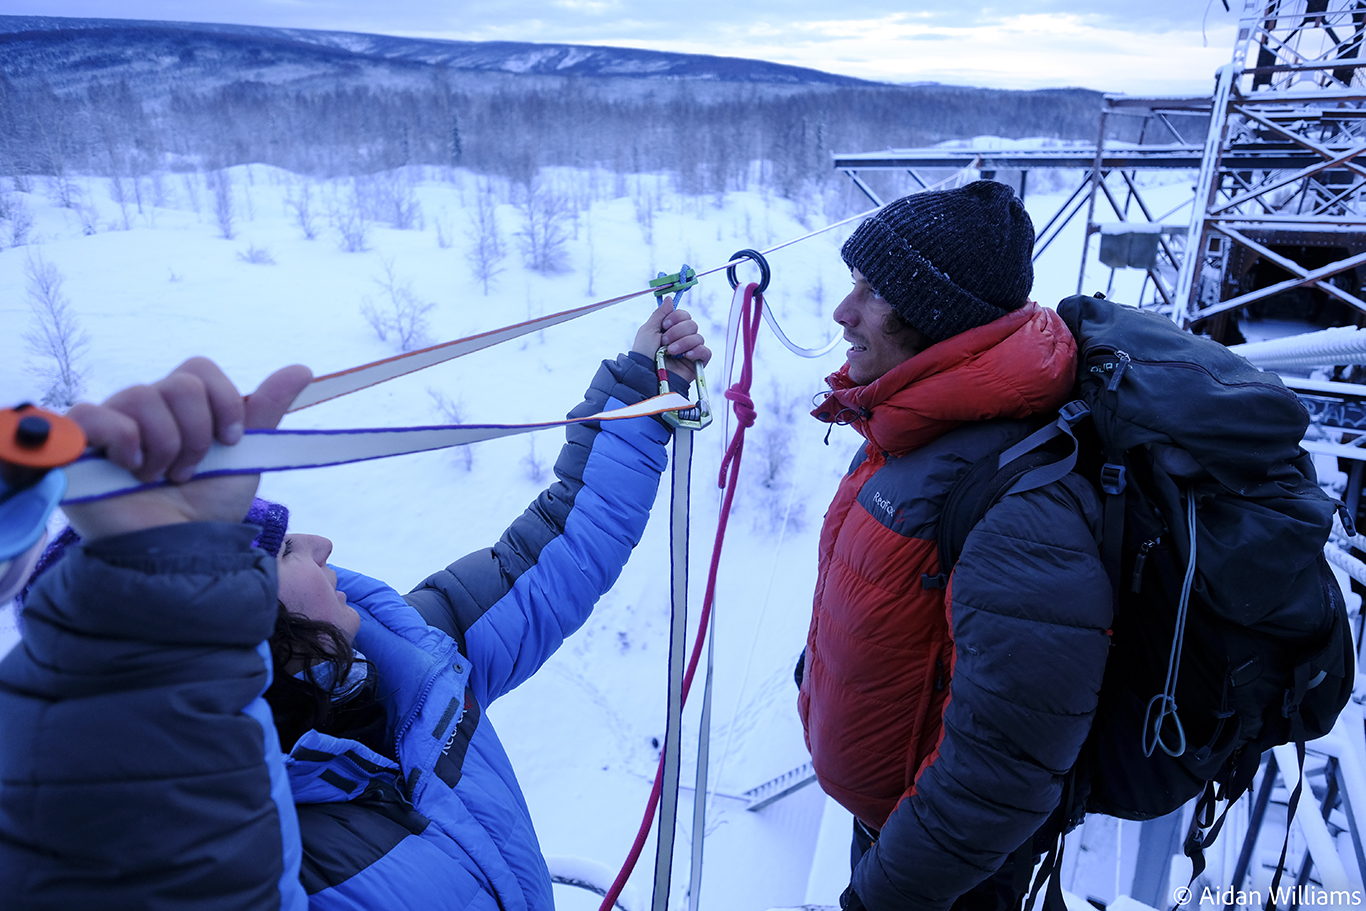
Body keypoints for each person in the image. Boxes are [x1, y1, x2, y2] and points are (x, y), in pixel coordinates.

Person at [0, 300, 710, 910]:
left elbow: (557, 543)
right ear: (234, 622)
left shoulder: (412, 654)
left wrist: (640, 390)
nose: (320, 542)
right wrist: (144, 619)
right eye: (281, 552)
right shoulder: (217, 835)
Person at [798, 181, 1113, 911]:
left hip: (946, 875)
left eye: (872, 291)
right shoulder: (908, 423)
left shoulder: (1024, 502)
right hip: (894, 828)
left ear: (937, 314)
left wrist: (884, 894)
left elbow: (1002, 768)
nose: (843, 312)